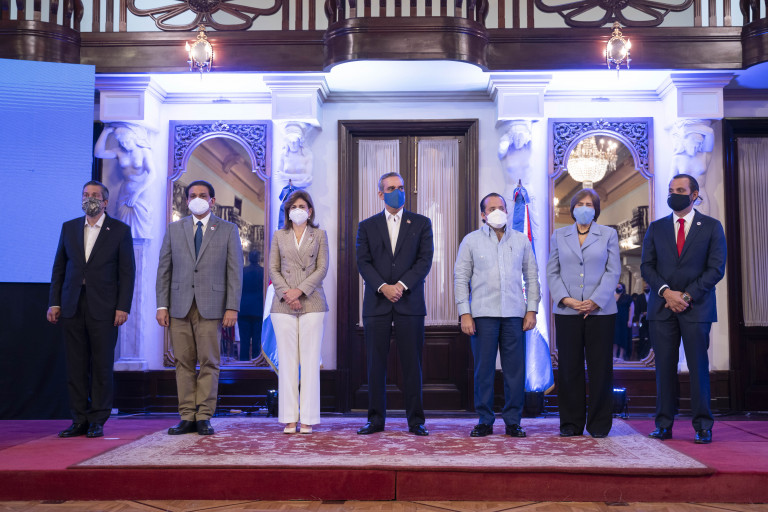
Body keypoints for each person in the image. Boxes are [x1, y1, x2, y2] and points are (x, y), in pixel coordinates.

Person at [641, 173, 726, 444]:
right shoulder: (656, 228)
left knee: (698, 367)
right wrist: (667, 293)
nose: (673, 194)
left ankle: (703, 426)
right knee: (664, 369)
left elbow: (716, 269)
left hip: (697, 308)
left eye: (679, 190)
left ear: (694, 194)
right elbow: (647, 267)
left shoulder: (711, 226)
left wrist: (686, 296)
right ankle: (663, 424)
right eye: (671, 190)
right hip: (662, 307)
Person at [47, 181, 135, 438]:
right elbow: (59, 268)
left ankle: (97, 419)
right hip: (72, 304)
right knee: (75, 366)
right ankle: (79, 419)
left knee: (101, 366)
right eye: (86, 194)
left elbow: (127, 273)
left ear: (105, 202)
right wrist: (54, 302)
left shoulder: (119, 230)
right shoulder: (69, 227)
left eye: (95, 195)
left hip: (105, 308)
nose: (90, 199)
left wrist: (123, 307)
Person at [156, 180, 243, 436]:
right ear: (186, 201)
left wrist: (232, 307)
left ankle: (204, 415)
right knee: (183, 362)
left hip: (212, 307)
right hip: (178, 306)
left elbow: (234, 272)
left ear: (212, 201)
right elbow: (164, 270)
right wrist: (162, 305)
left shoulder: (228, 229)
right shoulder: (174, 229)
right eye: (193, 195)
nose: (197, 199)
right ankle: (187, 416)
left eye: (202, 195)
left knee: (209, 362)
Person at [454, 192, 540, 438]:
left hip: (515, 315)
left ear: (507, 210)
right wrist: (465, 313)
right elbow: (460, 278)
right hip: (482, 315)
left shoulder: (521, 240)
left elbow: (531, 276)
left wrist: (531, 309)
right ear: (483, 215)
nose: (497, 212)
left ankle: (513, 421)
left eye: (501, 207)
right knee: (484, 371)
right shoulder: (471, 241)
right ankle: (485, 420)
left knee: (515, 371)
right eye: (491, 209)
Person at [355, 172, 434, 436]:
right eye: (391, 188)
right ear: (380, 194)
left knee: (412, 365)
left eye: (401, 187)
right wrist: (383, 287)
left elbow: (424, 261)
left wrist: (400, 286)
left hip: (409, 302)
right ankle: (375, 420)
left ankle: (416, 421)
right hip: (376, 303)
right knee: (375, 365)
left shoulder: (421, 223)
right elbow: (363, 262)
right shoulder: (367, 226)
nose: (397, 192)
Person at [546, 188, 621, 438]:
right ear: (572, 208)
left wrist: (595, 301)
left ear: (596, 209)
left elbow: (613, 271)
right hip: (567, 311)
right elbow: (552, 271)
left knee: (600, 368)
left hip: (601, 312)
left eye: (589, 204)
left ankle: (599, 424)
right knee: (569, 368)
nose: (584, 208)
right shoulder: (559, 235)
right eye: (580, 204)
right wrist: (566, 299)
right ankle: (571, 423)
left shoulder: (608, 234)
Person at [269, 190, 329, 434]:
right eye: (293, 207)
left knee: (310, 361)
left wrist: (300, 292)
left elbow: (322, 268)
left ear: (310, 210)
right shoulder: (279, 235)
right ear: (287, 211)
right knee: (287, 362)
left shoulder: (320, 235)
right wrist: (288, 293)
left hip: (312, 302)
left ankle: (308, 419)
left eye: (302, 206)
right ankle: (289, 418)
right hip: (282, 304)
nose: (298, 210)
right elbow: (273, 269)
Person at [94, 123, 155, 239]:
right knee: (122, 228)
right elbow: (98, 153)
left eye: (127, 141)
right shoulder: (119, 152)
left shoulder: (144, 151)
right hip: (125, 193)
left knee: (141, 231)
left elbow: (152, 174)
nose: (125, 145)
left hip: (140, 194)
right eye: (122, 142)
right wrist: (106, 131)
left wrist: (136, 193)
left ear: (133, 138)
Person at [239, 250, 265, 362]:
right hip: (259, 309)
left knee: (244, 340)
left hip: (243, 308)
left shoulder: (242, 271)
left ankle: (243, 362)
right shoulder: (264, 272)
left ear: (249, 258)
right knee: (257, 340)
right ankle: (256, 363)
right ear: (259, 258)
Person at [613, 283, 634, 361]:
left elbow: (631, 308)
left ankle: (621, 356)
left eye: (619, 287)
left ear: (623, 288)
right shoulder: (612, 296)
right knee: (614, 338)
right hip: (614, 320)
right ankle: (614, 355)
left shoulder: (627, 297)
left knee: (623, 338)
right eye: (617, 286)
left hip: (624, 321)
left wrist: (630, 320)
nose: (618, 288)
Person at [634, 283, 651, 359]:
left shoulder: (653, 296)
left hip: (651, 320)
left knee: (650, 337)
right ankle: (641, 355)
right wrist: (637, 320)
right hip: (642, 321)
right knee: (642, 337)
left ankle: (648, 354)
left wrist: (649, 312)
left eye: (647, 286)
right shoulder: (639, 297)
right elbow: (636, 309)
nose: (646, 287)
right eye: (645, 287)